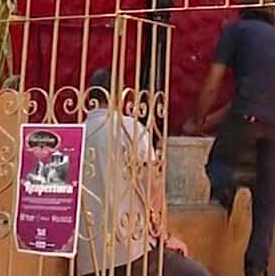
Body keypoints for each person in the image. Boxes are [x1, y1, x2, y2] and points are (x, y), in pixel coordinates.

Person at [184, 0, 275, 276]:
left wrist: (198, 121)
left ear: (243, 13)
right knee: (268, 196)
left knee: (218, 164)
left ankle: (229, 194)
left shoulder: (236, 30)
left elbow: (214, 82)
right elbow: (242, 100)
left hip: (250, 115)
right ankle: (257, 268)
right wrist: (207, 122)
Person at [77, 68, 209, 276]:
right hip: (133, 252)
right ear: (121, 96)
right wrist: (165, 237)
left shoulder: (77, 135)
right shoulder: (130, 128)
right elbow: (152, 187)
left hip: (90, 261)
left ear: (89, 96)